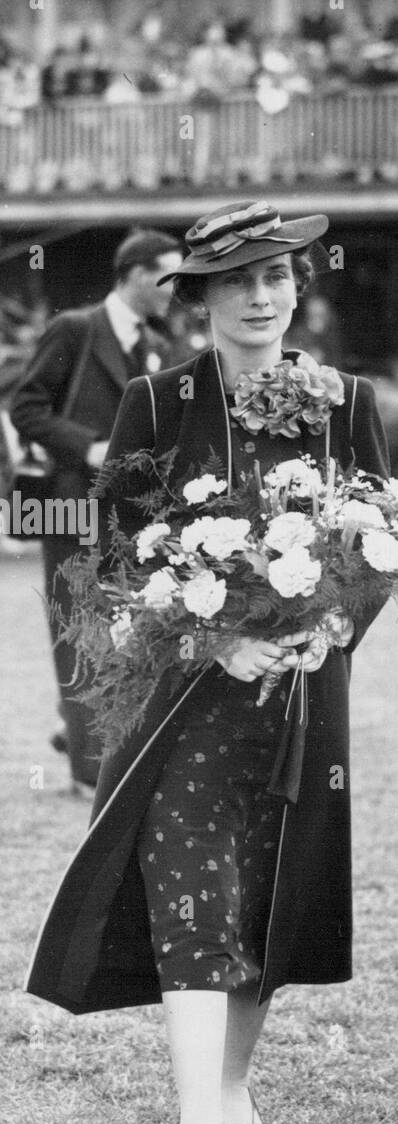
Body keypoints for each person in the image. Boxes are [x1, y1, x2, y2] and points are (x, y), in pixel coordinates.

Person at [24, 201, 391, 1124]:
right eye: (238, 281)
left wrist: (336, 626)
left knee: (272, 898)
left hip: (307, 700)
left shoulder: (342, 399)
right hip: (186, 701)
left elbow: (382, 541)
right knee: (194, 900)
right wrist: (210, 633)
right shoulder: (155, 402)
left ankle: (230, 1085)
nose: (262, 296)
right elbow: (112, 558)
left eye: (279, 277)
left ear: (299, 288)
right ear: (202, 297)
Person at [10, 228, 182, 794]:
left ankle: (80, 730)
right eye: (165, 276)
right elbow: (26, 407)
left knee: (130, 628)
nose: (172, 290)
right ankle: (89, 771)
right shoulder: (76, 328)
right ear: (134, 273)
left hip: (132, 517)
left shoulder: (158, 342)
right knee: (79, 629)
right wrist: (86, 445)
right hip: (70, 508)